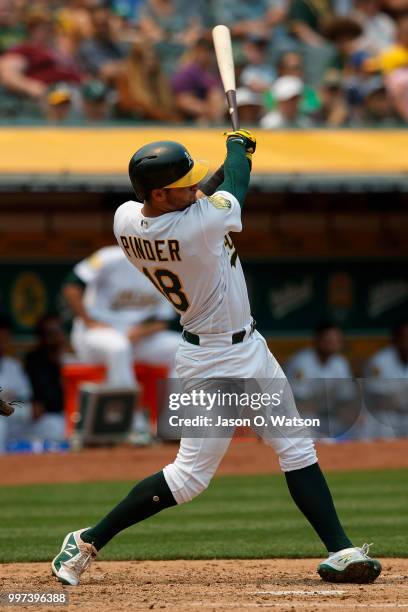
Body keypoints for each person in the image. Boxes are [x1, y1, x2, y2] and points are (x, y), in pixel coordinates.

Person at [51, 131, 381, 586]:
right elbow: (236, 187)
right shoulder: (199, 223)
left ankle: (340, 549)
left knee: (293, 447)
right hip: (220, 359)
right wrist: (237, 151)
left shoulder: (126, 217)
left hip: (222, 352)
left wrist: (227, 162)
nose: (193, 187)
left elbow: (201, 194)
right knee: (190, 478)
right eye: (182, 184)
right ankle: (87, 537)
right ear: (159, 194)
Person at [62, 245, 179, 390]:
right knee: (118, 347)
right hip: (96, 335)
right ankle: (129, 410)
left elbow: (163, 321)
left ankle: (176, 410)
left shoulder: (167, 267)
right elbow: (71, 285)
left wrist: (142, 331)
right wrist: (89, 321)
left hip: (137, 338)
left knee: (182, 348)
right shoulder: (110, 256)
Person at [285, 322, 358, 438]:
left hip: (328, 413)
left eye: (336, 340)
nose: (333, 344)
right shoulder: (302, 362)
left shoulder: (340, 363)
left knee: (358, 420)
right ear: (317, 340)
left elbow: (346, 397)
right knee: (305, 420)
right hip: (300, 415)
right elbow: (299, 403)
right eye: (329, 340)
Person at [24, 313, 66, 442]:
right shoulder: (34, 360)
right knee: (57, 427)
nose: (57, 337)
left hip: (68, 415)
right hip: (45, 418)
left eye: (59, 331)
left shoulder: (70, 359)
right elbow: (47, 399)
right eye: (51, 333)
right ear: (42, 337)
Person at [362, 321, 408, 439]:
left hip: (405, 414)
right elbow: (374, 398)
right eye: (405, 338)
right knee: (383, 425)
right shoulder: (379, 361)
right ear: (396, 341)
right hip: (384, 415)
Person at [0, 314, 32, 453]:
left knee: (54, 426)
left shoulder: (13, 365)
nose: (2, 342)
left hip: (15, 417)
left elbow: (26, 396)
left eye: (5, 338)